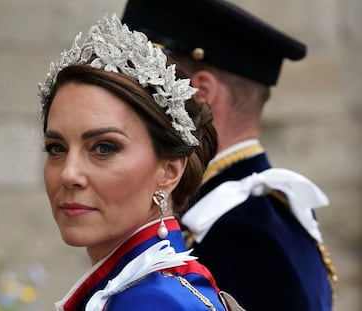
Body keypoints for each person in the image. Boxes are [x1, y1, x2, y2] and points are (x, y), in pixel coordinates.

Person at [122, 0, 338, 310]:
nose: (125, 106)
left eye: (143, 89)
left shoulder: (239, 233)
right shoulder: (264, 210)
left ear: (199, 93)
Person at [38, 14, 245, 311]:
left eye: (104, 147)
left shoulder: (151, 301)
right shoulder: (148, 288)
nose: (69, 174)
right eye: (56, 148)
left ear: (169, 171)